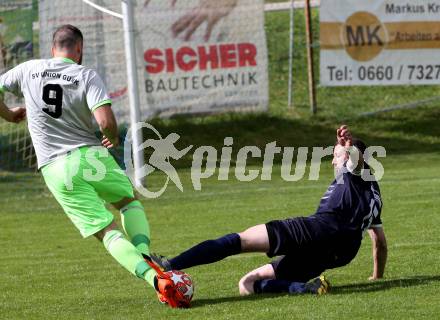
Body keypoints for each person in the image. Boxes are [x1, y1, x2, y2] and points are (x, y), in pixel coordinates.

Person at [0, 24, 181, 307]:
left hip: (55, 169)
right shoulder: (85, 75)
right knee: (128, 203)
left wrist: (10, 115)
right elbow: (106, 122)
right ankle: (146, 253)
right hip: (90, 157)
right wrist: (110, 138)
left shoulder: (28, 69)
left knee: (107, 233)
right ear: (79, 49)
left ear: (52, 49)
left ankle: (154, 280)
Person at [152, 125, 388, 295]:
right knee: (247, 284)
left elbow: (354, 162)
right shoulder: (374, 194)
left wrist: (348, 147)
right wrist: (377, 276)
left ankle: (171, 264)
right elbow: (379, 242)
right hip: (340, 253)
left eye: (336, 157)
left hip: (317, 230)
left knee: (239, 241)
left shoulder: (354, 172)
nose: (333, 162)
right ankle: (302, 288)